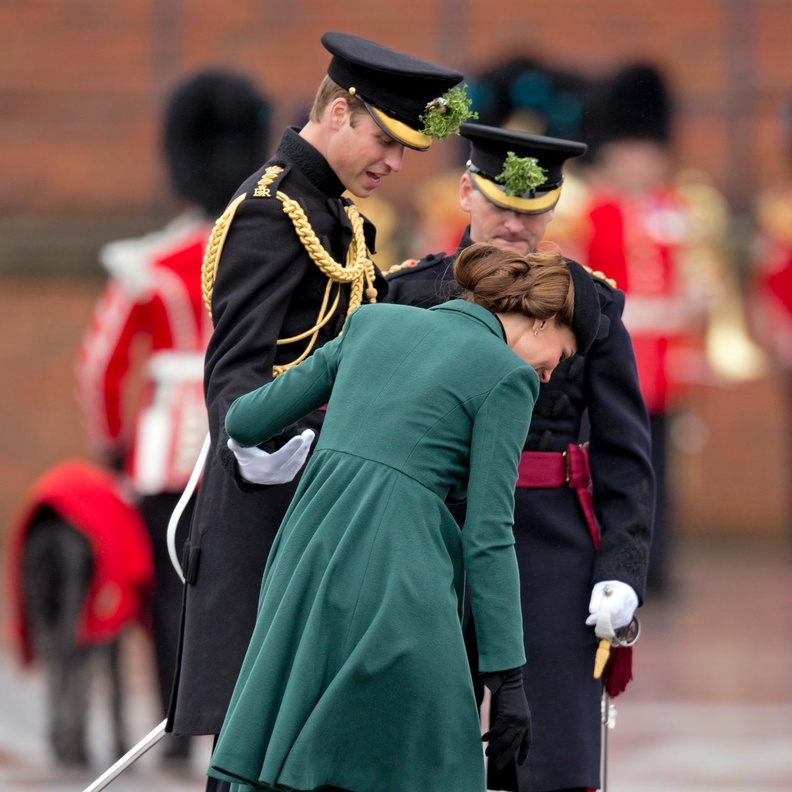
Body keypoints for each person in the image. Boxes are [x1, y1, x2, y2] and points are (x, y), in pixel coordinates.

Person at [167, 31, 474, 774]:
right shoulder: (274, 211)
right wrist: (284, 450)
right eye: (387, 140)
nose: (395, 163)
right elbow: (235, 376)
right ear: (338, 112)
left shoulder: (332, 211)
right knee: (264, 747)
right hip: (276, 508)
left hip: (329, 507)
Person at [207, 241, 603, 792]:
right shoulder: (506, 377)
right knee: (432, 761)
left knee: (304, 755)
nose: (548, 376)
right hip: (398, 572)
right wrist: (507, 677)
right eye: (560, 357)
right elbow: (489, 535)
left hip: (304, 556)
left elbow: (246, 420)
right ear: (542, 322)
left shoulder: (372, 323)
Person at [385, 122, 654, 792]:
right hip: (433, 540)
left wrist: (622, 567)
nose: (514, 224)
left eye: (533, 211)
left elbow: (625, 452)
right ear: (466, 193)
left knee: (550, 759)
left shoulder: (590, 302)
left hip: (548, 546)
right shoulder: (408, 295)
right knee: (412, 752)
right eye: (501, 205)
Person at [76, 70, 272, 763]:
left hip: (163, 446)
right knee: (245, 584)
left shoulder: (150, 262)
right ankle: (236, 728)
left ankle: (174, 730)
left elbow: (101, 368)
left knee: (171, 591)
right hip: (253, 432)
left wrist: (113, 443)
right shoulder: (271, 251)